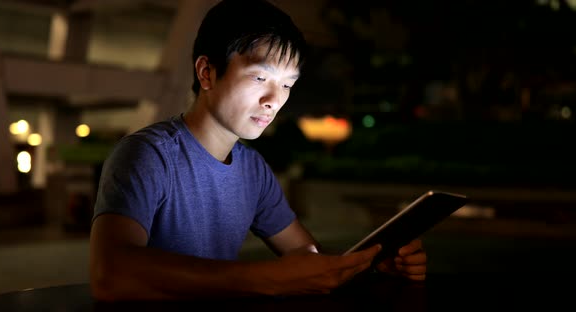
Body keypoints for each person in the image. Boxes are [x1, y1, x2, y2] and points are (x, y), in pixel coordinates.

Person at [89, 0, 427, 301]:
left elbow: (306, 255)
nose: (274, 100)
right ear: (207, 72)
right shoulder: (148, 155)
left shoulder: (253, 170)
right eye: (258, 78)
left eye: (287, 84)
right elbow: (111, 275)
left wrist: (371, 265)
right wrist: (267, 279)